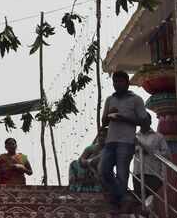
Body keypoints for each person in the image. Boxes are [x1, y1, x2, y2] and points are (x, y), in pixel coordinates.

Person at [99, 70, 147, 215]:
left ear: (127, 83)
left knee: (122, 174)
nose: (117, 84)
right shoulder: (109, 99)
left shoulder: (136, 99)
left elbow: (144, 121)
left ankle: (116, 204)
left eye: (120, 82)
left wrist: (123, 118)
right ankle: (124, 197)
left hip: (126, 141)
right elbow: (103, 121)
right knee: (103, 170)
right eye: (115, 82)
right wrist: (109, 115)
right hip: (110, 140)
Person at [133, 113, 170, 212]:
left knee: (152, 198)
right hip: (137, 173)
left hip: (154, 173)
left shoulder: (158, 137)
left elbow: (167, 154)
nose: (145, 121)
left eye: (147, 119)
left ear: (150, 121)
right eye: (142, 119)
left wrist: (151, 151)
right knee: (141, 200)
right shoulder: (134, 137)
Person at [69, 127, 107, 192]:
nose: (101, 138)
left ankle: (95, 188)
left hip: (98, 168)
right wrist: (83, 160)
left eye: (103, 136)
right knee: (74, 163)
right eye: (99, 136)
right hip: (86, 165)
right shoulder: (92, 148)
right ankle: (77, 187)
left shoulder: (109, 149)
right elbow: (81, 157)